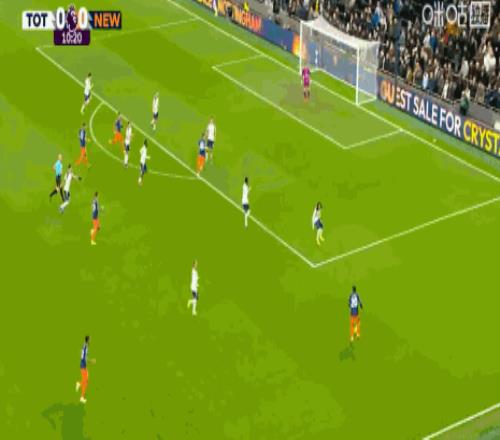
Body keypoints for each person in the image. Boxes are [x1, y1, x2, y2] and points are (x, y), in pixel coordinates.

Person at [75, 335, 95, 404]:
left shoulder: (85, 345)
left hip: (83, 365)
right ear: (88, 340)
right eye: (90, 339)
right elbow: (84, 358)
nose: (90, 341)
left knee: (86, 381)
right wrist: (91, 361)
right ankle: (82, 397)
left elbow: (83, 356)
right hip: (83, 365)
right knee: (86, 381)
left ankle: (79, 384)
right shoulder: (85, 347)